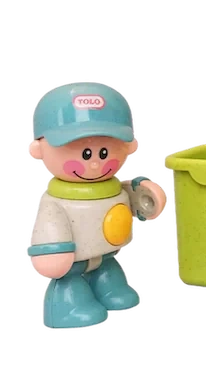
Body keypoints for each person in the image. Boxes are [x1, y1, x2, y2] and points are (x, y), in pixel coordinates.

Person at [26, 80, 168, 330]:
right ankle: (68, 307)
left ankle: (110, 290)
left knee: (110, 277)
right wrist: (51, 252)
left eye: (105, 152)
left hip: (106, 258)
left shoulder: (115, 188)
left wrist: (144, 198)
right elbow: (50, 224)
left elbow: (133, 199)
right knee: (71, 283)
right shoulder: (56, 202)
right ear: (39, 149)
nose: (94, 163)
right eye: (84, 153)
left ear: (128, 146)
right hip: (72, 265)